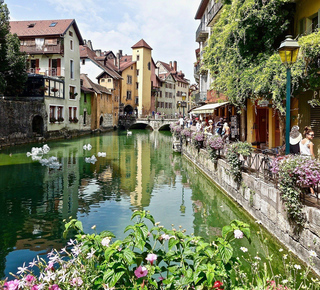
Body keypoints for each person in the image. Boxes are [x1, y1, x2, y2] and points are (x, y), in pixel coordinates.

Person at [300, 126, 315, 196]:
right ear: (307, 135)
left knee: (304, 175)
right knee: (311, 176)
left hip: (302, 159)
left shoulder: (301, 142)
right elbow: (312, 154)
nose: (313, 136)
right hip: (308, 160)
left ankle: (305, 190)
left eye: (313, 135)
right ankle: (312, 191)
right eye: (311, 135)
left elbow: (300, 151)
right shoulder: (310, 143)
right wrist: (314, 161)